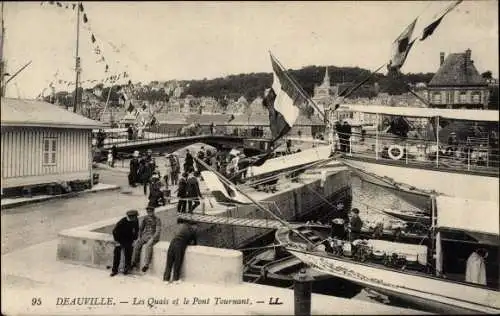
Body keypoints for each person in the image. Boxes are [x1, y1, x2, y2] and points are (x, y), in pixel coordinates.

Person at [131, 206, 162, 273]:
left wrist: (153, 238)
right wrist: (139, 237)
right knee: (137, 244)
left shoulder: (157, 219)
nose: (149, 213)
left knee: (148, 246)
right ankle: (134, 262)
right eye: (148, 211)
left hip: (153, 236)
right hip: (145, 235)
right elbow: (141, 228)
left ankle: (146, 265)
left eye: (150, 211)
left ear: (153, 211)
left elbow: (158, 231)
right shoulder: (145, 218)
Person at [110, 210, 139, 276]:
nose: (136, 218)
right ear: (131, 217)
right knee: (117, 254)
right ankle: (114, 270)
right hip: (120, 239)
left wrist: (135, 238)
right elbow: (114, 231)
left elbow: (137, 229)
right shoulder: (122, 221)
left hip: (128, 239)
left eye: (136, 217)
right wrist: (117, 241)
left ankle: (126, 269)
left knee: (128, 253)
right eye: (134, 217)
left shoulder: (135, 220)